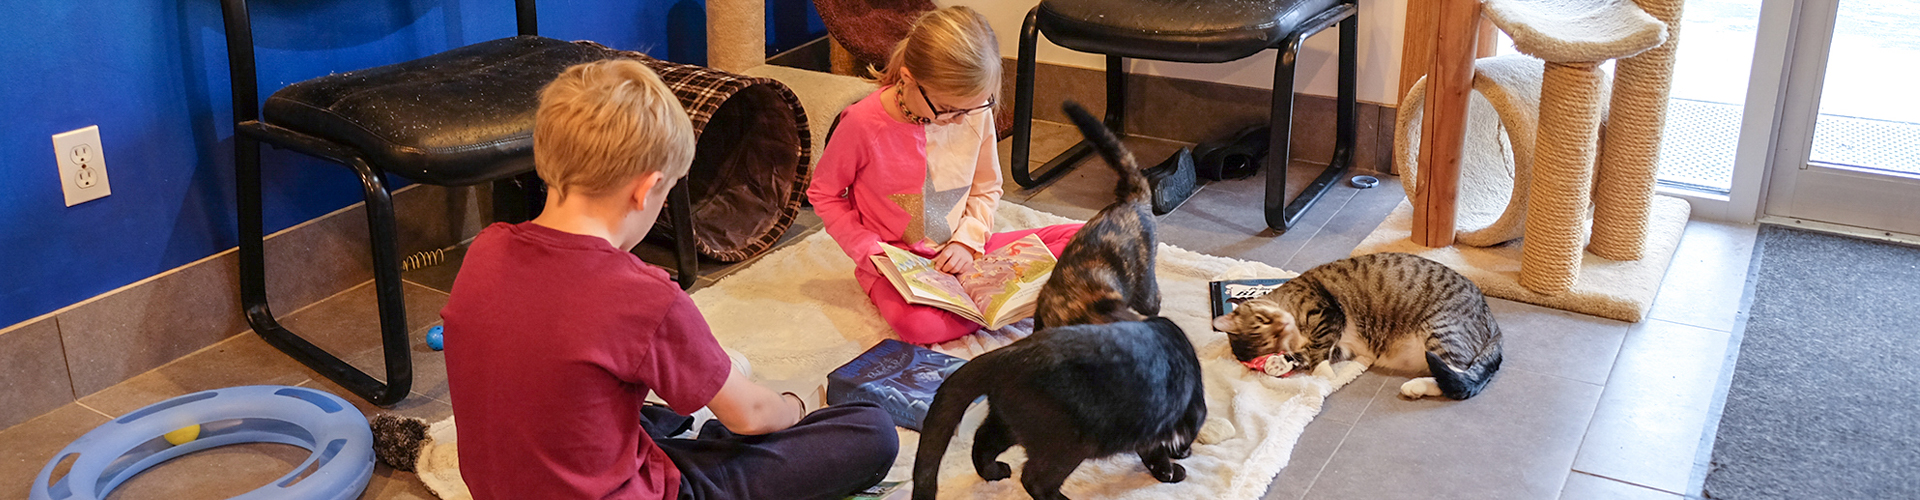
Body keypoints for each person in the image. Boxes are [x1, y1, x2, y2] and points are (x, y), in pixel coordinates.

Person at [441, 59, 897, 500]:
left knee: (635, 411)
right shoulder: (643, 296)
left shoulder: (487, 249)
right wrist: (796, 408)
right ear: (646, 188)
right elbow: (751, 416)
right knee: (870, 431)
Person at [808, 6, 1084, 345]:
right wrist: (869, 251)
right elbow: (824, 193)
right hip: (896, 264)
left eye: (973, 108)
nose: (958, 120)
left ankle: (991, 305)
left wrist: (967, 242)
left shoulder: (972, 111)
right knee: (918, 328)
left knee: (1086, 239)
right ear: (909, 79)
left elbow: (987, 187)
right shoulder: (862, 123)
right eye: (948, 109)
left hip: (965, 252)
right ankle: (1034, 304)